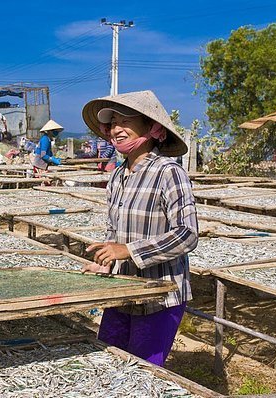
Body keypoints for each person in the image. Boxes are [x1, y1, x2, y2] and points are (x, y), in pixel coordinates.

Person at [80, 90, 198, 367]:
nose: (116, 129)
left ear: (152, 127)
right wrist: (105, 264)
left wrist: (129, 251)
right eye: (112, 124)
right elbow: (114, 230)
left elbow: (187, 233)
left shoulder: (168, 172)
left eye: (125, 121)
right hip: (122, 292)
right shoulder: (118, 176)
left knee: (143, 371)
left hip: (160, 295)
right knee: (111, 364)